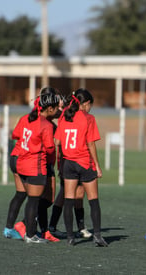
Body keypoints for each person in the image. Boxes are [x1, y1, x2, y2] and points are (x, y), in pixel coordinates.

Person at [6, 88, 61, 243]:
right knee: (34, 200)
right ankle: (30, 235)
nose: (58, 111)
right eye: (56, 108)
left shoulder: (27, 118)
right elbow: (50, 147)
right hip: (34, 165)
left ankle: (19, 229)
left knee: (28, 198)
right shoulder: (46, 124)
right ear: (50, 108)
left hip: (22, 162)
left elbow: (16, 134)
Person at [54, 88, 107, 247]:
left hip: (68, 163)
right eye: (90, 104)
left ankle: (70, 237)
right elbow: (91, 144)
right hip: (85, 162)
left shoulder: (65, 116)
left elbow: (57, 142)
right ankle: (97, 235)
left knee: (68, 200)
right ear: (86, 103)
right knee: (93, 200)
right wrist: (97, 166)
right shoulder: (88, 118)